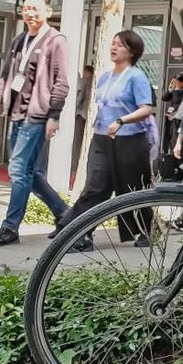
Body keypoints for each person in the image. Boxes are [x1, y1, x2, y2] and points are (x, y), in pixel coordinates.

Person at [0, 0, 70, 248]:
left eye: (35, 8)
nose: (29, 12)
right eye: (26, 8)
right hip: (16, 114)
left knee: (18, 170)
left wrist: (54, 116)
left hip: (38, 117)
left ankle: (10, 228)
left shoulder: (56, 41)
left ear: (48, 12)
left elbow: (62, 84)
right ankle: (67, 215)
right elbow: (5, 77)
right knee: (32, 174)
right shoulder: (19, 40)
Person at [58, 30, 155, 252]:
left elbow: (146, 109)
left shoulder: (136, 77)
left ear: (131, 51)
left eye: (119, 45)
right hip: (102, 139)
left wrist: (122, 120)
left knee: (132, 189)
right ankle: (79, 232)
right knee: (95, 186)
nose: (114, 48)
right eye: (112, 44)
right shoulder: (104, 77)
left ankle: (147, 229)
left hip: (130, 141)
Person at [71, 64, 95, 173]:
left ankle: (73, 169)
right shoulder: (94, 83)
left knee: (77, 143)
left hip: (81, 115)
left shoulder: (85, 81)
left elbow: (79, 98)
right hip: (89, 117)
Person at [161, 71, 183, 154]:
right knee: (168, 136)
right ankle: (167, 152)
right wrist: (171, 89)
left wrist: (177, 90)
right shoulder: (173, 90)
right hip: (171, 116)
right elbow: (164, 98)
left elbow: (178, 101)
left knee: (176, 138)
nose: (175, 83)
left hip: (179, 118)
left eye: (176, 82)